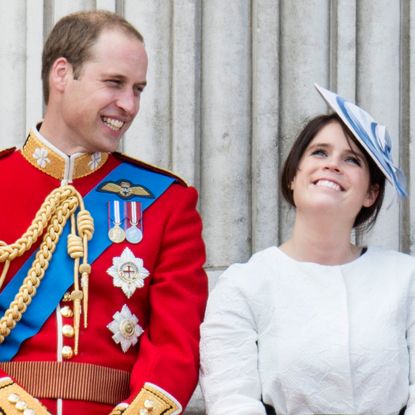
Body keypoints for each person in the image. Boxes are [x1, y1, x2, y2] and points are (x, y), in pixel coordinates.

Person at [0, 10, 207, 415]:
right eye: (114, 83)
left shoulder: (166, 201)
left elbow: (176, 344)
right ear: (61, 74)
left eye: (139, 89)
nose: (129, 105)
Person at [199, 84, 415, 415]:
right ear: (293, 176)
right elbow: (231, 399)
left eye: (352, 159)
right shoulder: (244, 284)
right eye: (319, 152)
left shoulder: (406, 278)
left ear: (370, 193)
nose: (332, 165)